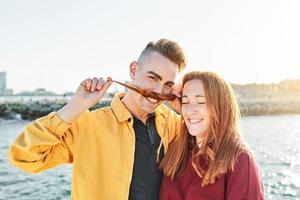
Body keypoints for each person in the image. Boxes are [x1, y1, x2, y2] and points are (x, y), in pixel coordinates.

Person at [8, 39, 186, 200]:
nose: (158, 91)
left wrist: (186, 109)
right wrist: (75, 106)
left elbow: (209, 151)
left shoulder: (173, 123)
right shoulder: (88, 125)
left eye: (168, 85)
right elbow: (24, 157)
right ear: (133, 70)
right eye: (152, 77)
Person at [159, 71, 264, 200]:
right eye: (185, 102)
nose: (190, 110)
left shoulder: (238, 158)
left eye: (201, 102)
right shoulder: (177, 150)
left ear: (220, 105)